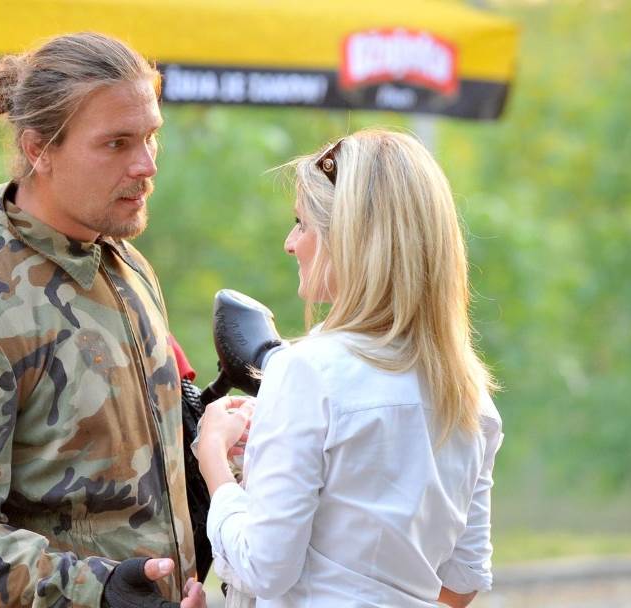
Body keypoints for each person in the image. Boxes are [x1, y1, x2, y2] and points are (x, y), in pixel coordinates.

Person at [0, 32, 204, 608]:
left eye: (151, 135)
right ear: (39, 149)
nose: (146, 164)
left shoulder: (122, 261)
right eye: (116, 143)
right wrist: (97, 590)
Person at [196, 129, 504, 608]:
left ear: (348, 239)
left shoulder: (305, 372)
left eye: (302, 224)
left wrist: (214, 457)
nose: (290, 243)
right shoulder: (469, 394)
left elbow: (263, 567)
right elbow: (462, 582)